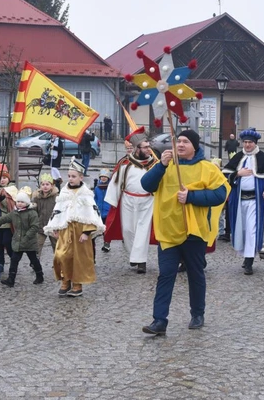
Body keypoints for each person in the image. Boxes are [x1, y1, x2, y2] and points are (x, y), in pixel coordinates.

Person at [140, 129, 229, 335]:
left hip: (194, 231)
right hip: (168, 230)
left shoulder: (206, 168)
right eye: (178, 141)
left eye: (185, 142)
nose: (180, 145)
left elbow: (220, 194)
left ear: (195, 146)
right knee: (165, 275)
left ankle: (198, 313)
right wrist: (161, 165)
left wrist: (192, 197)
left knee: (195, 274)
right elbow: (146, 185)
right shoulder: (166, 165)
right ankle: (159, 320)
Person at [45, 159, 105, 297]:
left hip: (80, 231)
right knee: (61, 255)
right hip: (66, 229)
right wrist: (55, 226)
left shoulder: (86, 194)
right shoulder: (64, 192)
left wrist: (86, 232)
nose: (70, 179)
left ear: (81, 177)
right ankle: (65, 280)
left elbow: (91, 213)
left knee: (78, 258)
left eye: (73, 176)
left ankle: (77, 284)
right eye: (69, 176)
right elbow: (58, 210)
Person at [222, 128, 264, 275]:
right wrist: (237, 174)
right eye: (245, 142)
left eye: (250, 142)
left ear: (255, 143)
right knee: (242, 229)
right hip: (239, 201)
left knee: (252, 229)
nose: (247, 145)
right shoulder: (238, 157)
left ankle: (249, 261)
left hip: (255, 201)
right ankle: (245, 255)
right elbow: (225, 175)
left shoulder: (263, 158)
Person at [104, 127, 158, 273]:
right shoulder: (125, 165)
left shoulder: (155, 165)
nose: (148, 149)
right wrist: (112, 201)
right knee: (127, 230)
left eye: (149, 147)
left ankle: (141, 262)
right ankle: (134, 255)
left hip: (148, 201)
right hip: (128, 200)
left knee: (143, 230)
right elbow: (116, 182)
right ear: (136, 148)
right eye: (145, 147)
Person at [0, 188, 44, 287]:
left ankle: (39, 275)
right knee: (14, 260)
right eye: (18, 201)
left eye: (22, 202)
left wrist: (26, 237)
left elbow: (34, 227)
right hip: (18, 242)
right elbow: (5, 218)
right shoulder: (14, 213)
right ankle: (11, 279)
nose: (20, 204)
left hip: (29, 242)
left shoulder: (32, 213)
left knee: (33, 260)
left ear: (27, 203)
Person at [0, 165, 17, 273]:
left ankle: (14, 261)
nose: (2, 180)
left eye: (4, 178)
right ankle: (0, 263)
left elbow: (12, 205)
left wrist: (2, 199)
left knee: (7, 242)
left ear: (8, 178)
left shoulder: (12, 190)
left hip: (7, 222)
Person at [32, 173, 59, 259]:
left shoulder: (56, 197)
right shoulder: (37, 197)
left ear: (52, 185)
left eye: (47, 184)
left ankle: (58, 261)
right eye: (43, 184)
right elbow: (34, 212)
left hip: (53, 226)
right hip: (41, 225)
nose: (45, 186)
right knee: (37, 245)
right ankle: (35, 262)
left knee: (56, 245)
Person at [93, 169, 112, 244]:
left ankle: (107, 243)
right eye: (102, 177)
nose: (103, 178)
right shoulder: (97, 188)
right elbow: (95, 198)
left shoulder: (110, 188)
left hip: (107, 211)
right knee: (97, 228)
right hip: (99, 211)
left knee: (107, 229)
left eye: (105, 177)